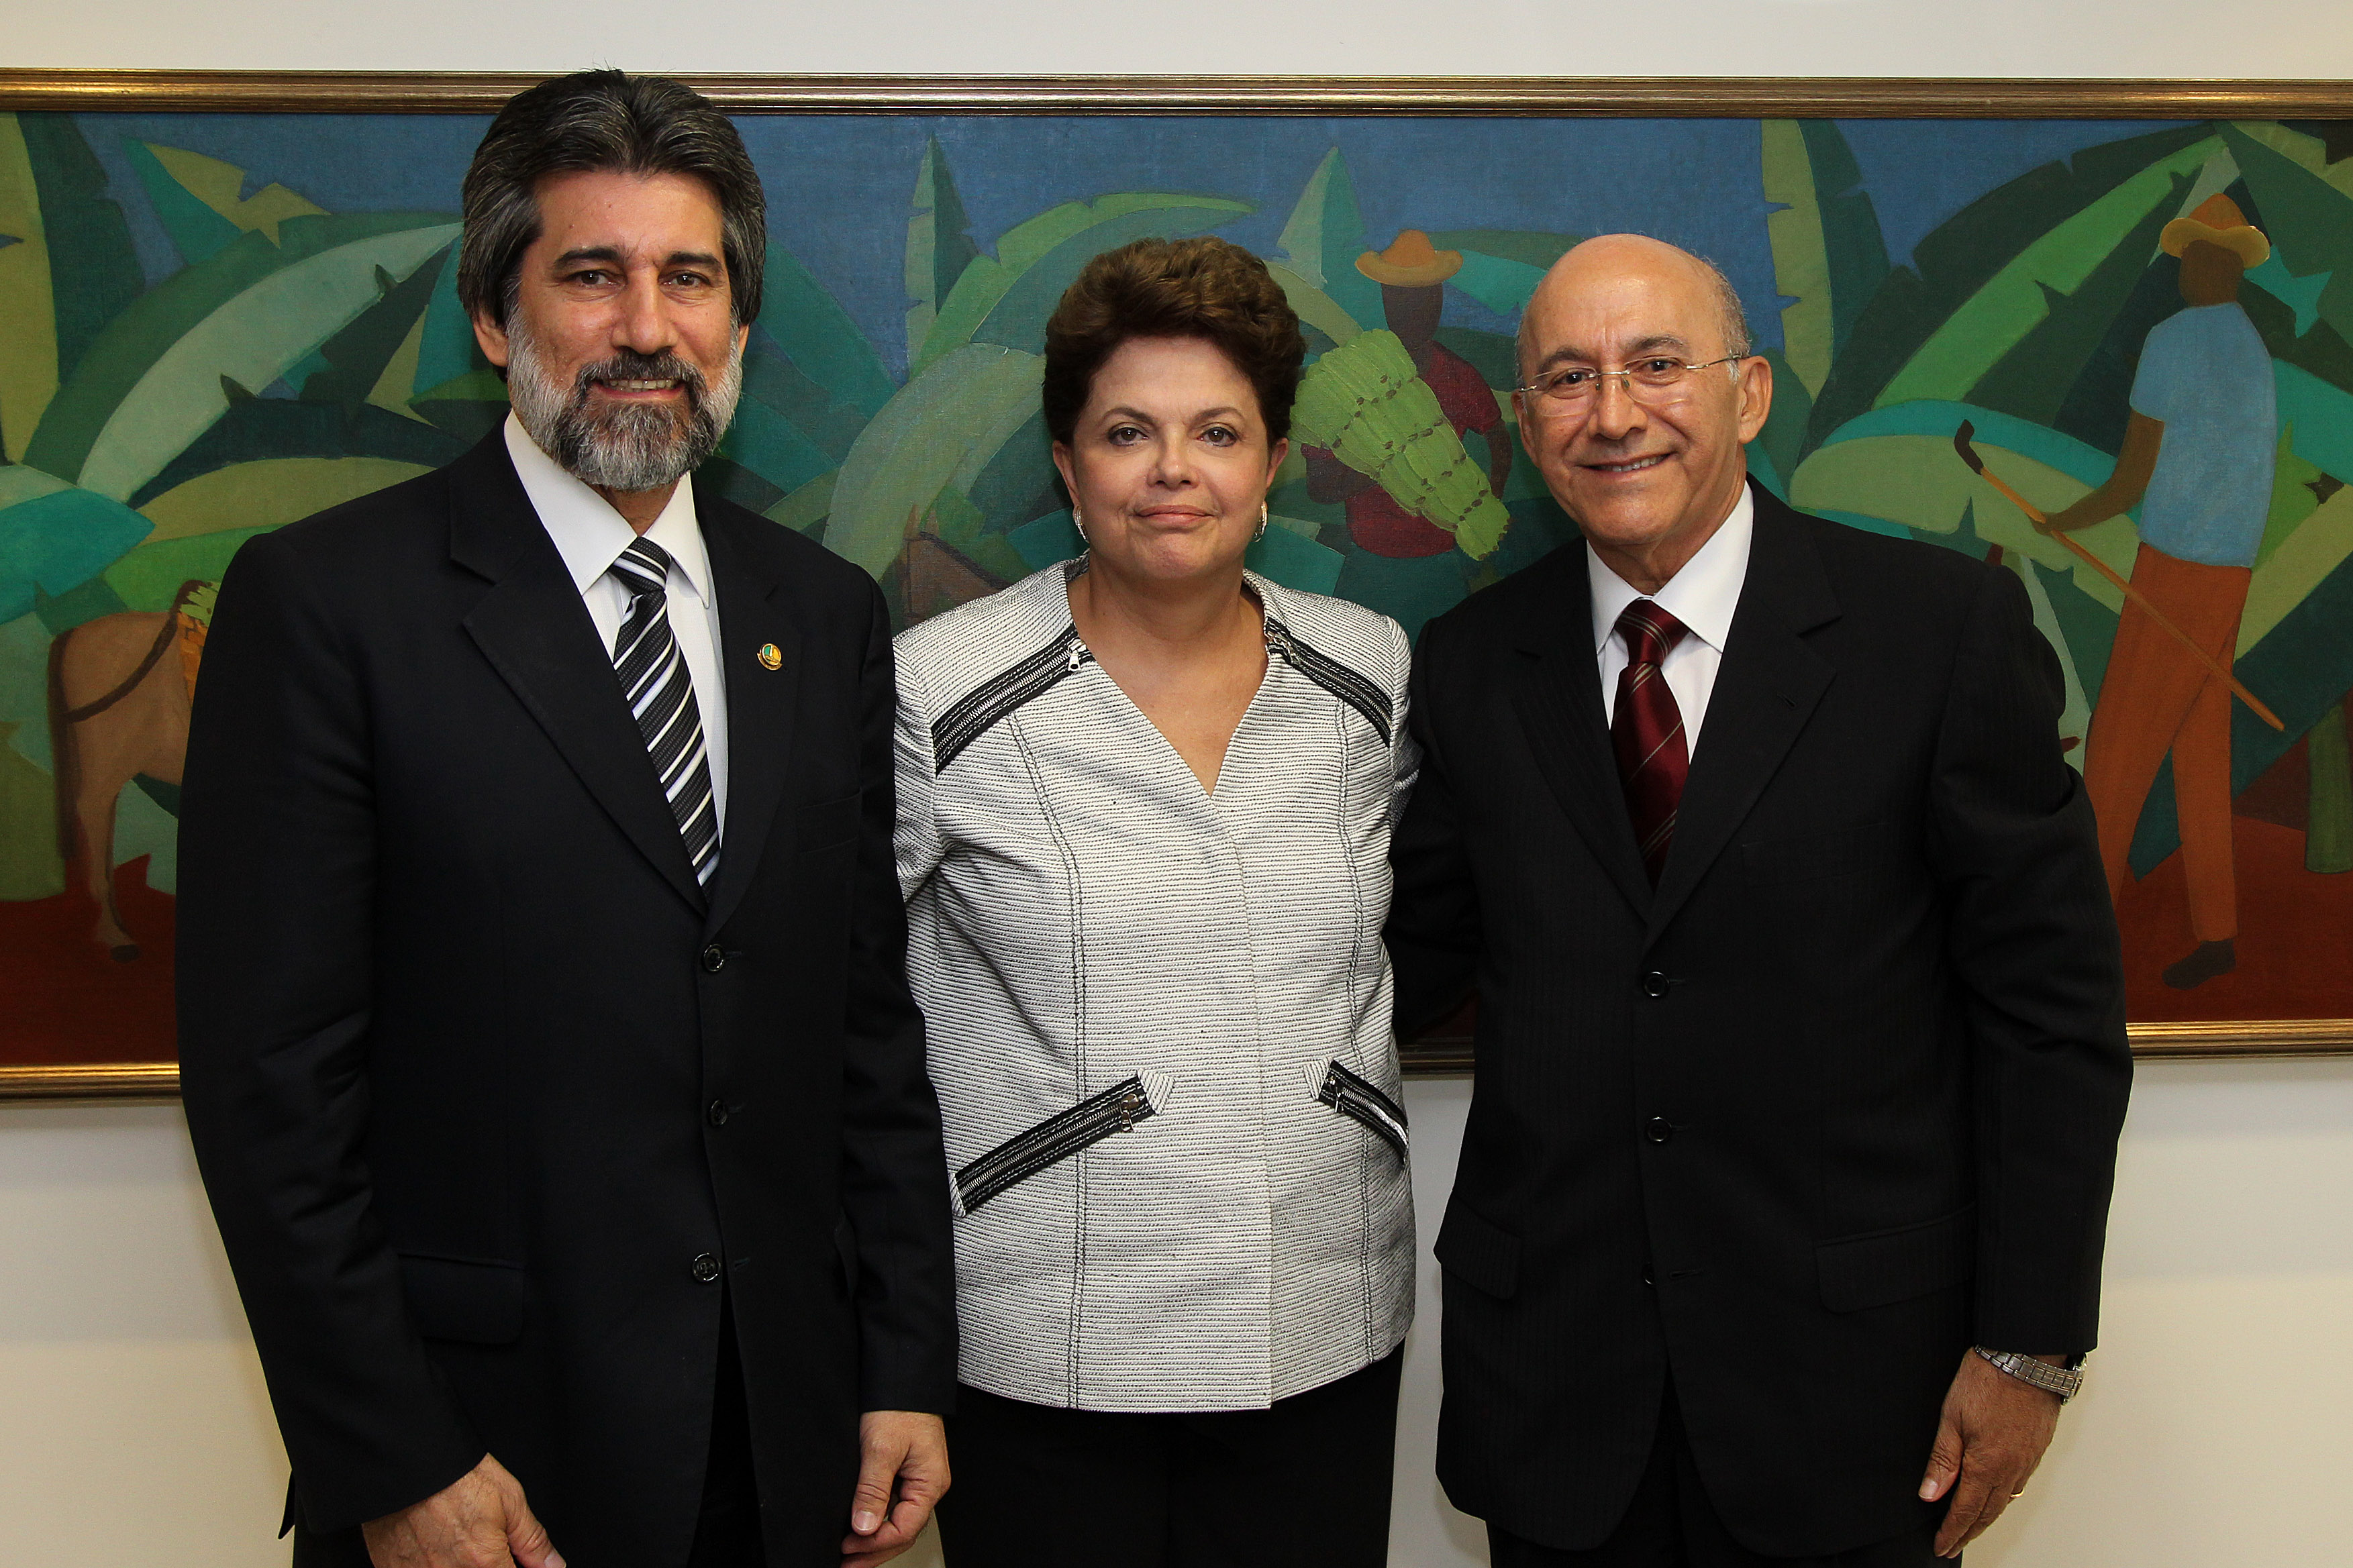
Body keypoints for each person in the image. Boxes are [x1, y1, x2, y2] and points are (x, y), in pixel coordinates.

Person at [177, 71, 954, 1568]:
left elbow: (862, 1022)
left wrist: (901, 1356)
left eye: (690, 277)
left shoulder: (823, 613)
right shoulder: (330, 605)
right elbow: (269, 1083)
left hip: (782, 1437)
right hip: (482, 1451)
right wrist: (392, 1454)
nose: (647, 328)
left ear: (736, 321)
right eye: (590, 275)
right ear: (494, 313)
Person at [1386, 233, 2132, 1566]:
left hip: (1855, 1394)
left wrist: (2029, 1343)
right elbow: (1401, 949)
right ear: (1526, 420)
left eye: (1655, 364)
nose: (1612, 413)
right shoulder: (1469, 663)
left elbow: (2050, 1010)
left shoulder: (1936, 633)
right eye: (1566, 377)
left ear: (1750, 393)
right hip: (1559, 1398)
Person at [891, 236, 1417, 1567]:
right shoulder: (935, 687)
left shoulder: (1368, 671)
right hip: (1046, 1340)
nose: (1174, 470)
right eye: (1128, 431)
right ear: (1067, 465)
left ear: (1273, 461)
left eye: (1218, 431)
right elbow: (853, 1022)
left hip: (1324, 1318)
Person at [2040, 193, 2278, 990]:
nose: (2185, 272)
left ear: (2220, 265)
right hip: (2228, 575)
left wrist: (2061, 519)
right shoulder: (2249, 348)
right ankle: (2217, 932)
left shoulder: (2172, 340)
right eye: (2185, 258)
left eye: (2197, 259)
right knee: (2197, 755)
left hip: (2176, 570)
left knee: (2117, 751)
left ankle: (2084, 942)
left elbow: (2130, 477)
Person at [1307, 229, 1516, 637]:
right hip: (1370, 566)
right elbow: (1320, 487)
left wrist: (1476, 515)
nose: (1418, 310)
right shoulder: (1344, 380)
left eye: (1427, 298)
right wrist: (1385, 459)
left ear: (1439, 300)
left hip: (1440, 564)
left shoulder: (1458, 376)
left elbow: (1500, 445)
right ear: (1386, 301)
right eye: (1404, 298)